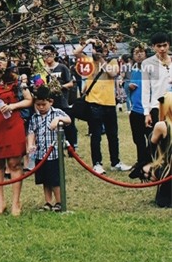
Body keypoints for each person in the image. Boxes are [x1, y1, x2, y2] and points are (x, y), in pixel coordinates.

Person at [0, 51, 33, 216]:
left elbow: (29, 100)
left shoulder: (16, 81)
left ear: (8, 61)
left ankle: (16, 202)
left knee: (15, 164)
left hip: (12, 125)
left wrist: (13, 106)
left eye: (2, 59)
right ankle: (0, 202)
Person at [73, 38, 130, 175]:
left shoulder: (112, 61)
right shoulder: (88, 60)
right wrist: (87, 42)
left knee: (113, 135)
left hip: (109, 103)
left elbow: (112, 73)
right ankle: (97, 163)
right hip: (94, 103)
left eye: (102, 49)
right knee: (96, 135)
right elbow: (76, 53)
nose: (98, 52)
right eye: (96, 49)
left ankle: (115, 162)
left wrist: (101, 60)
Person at [26, 87, 71, 211]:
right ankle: (48, 202)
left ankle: (59, 202)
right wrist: (30, 144)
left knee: (55, 180)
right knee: (45, 180)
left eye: (43, 104)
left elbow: (69, 119)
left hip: (54, 154)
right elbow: (31, 132)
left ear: (51, 102)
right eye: (38, 105)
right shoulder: (34, 118)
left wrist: (58, 120)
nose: (41, 107)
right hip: (40, 154)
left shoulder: (57, 113)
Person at [124, 45, 149, 179]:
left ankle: (150, 162)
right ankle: (141, 161)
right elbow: (125, 86)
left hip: (149, 110)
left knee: (151, 139)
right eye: (136, 52)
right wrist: (128, 86)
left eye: (141, 52)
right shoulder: (131, 70)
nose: (139, 55)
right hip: (135, 109)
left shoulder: (151, 69)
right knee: (138, 139)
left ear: (146, 54)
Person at [143, 93, 172, 208]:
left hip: (168, 172)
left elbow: (150, 148)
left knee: (147, 170)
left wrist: (146, 167)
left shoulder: (161, 126)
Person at [142, 32, 172, 130]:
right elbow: (145, 89)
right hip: (157, 106)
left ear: (169, 45)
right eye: (159, 46)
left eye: (164, 45)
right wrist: (146, 113)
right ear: (153, 47)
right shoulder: (147, 64)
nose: (162, 49)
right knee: (161, 140)